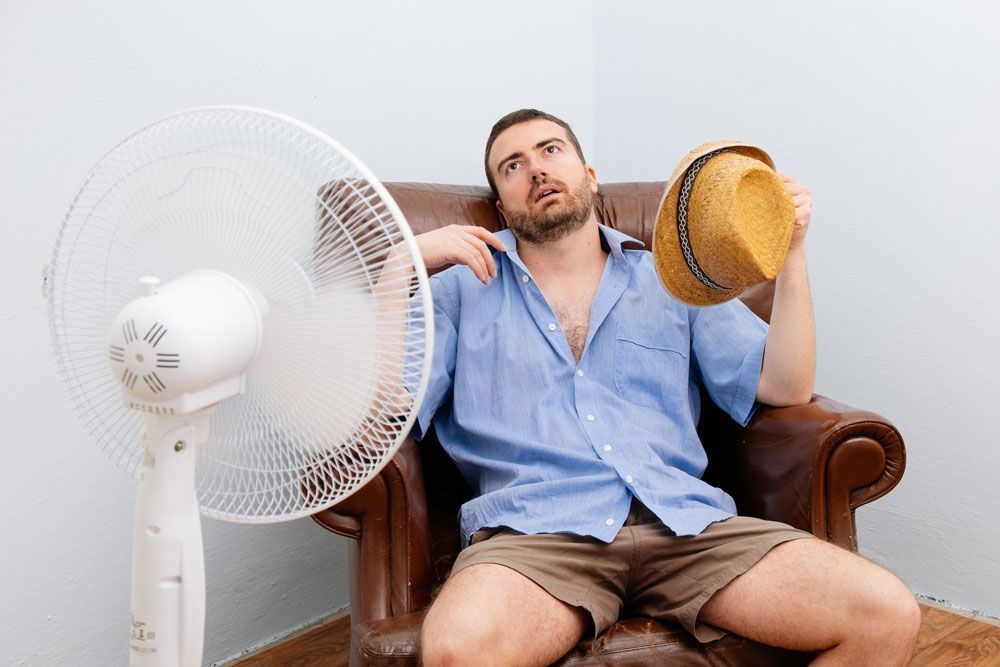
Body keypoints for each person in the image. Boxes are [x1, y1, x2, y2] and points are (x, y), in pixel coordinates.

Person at [409, 109, 920, 666]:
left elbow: (784, 387)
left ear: (589, 174)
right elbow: (386, 417)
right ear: (502, 204)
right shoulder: (457, 289)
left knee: (887, 614)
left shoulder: (671, 277)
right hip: (536, 537)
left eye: (551, 150)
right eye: (513, 165)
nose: (536, 169)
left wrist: (792, 253)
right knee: (458, 651)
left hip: (683, 524)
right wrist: (398, 268)